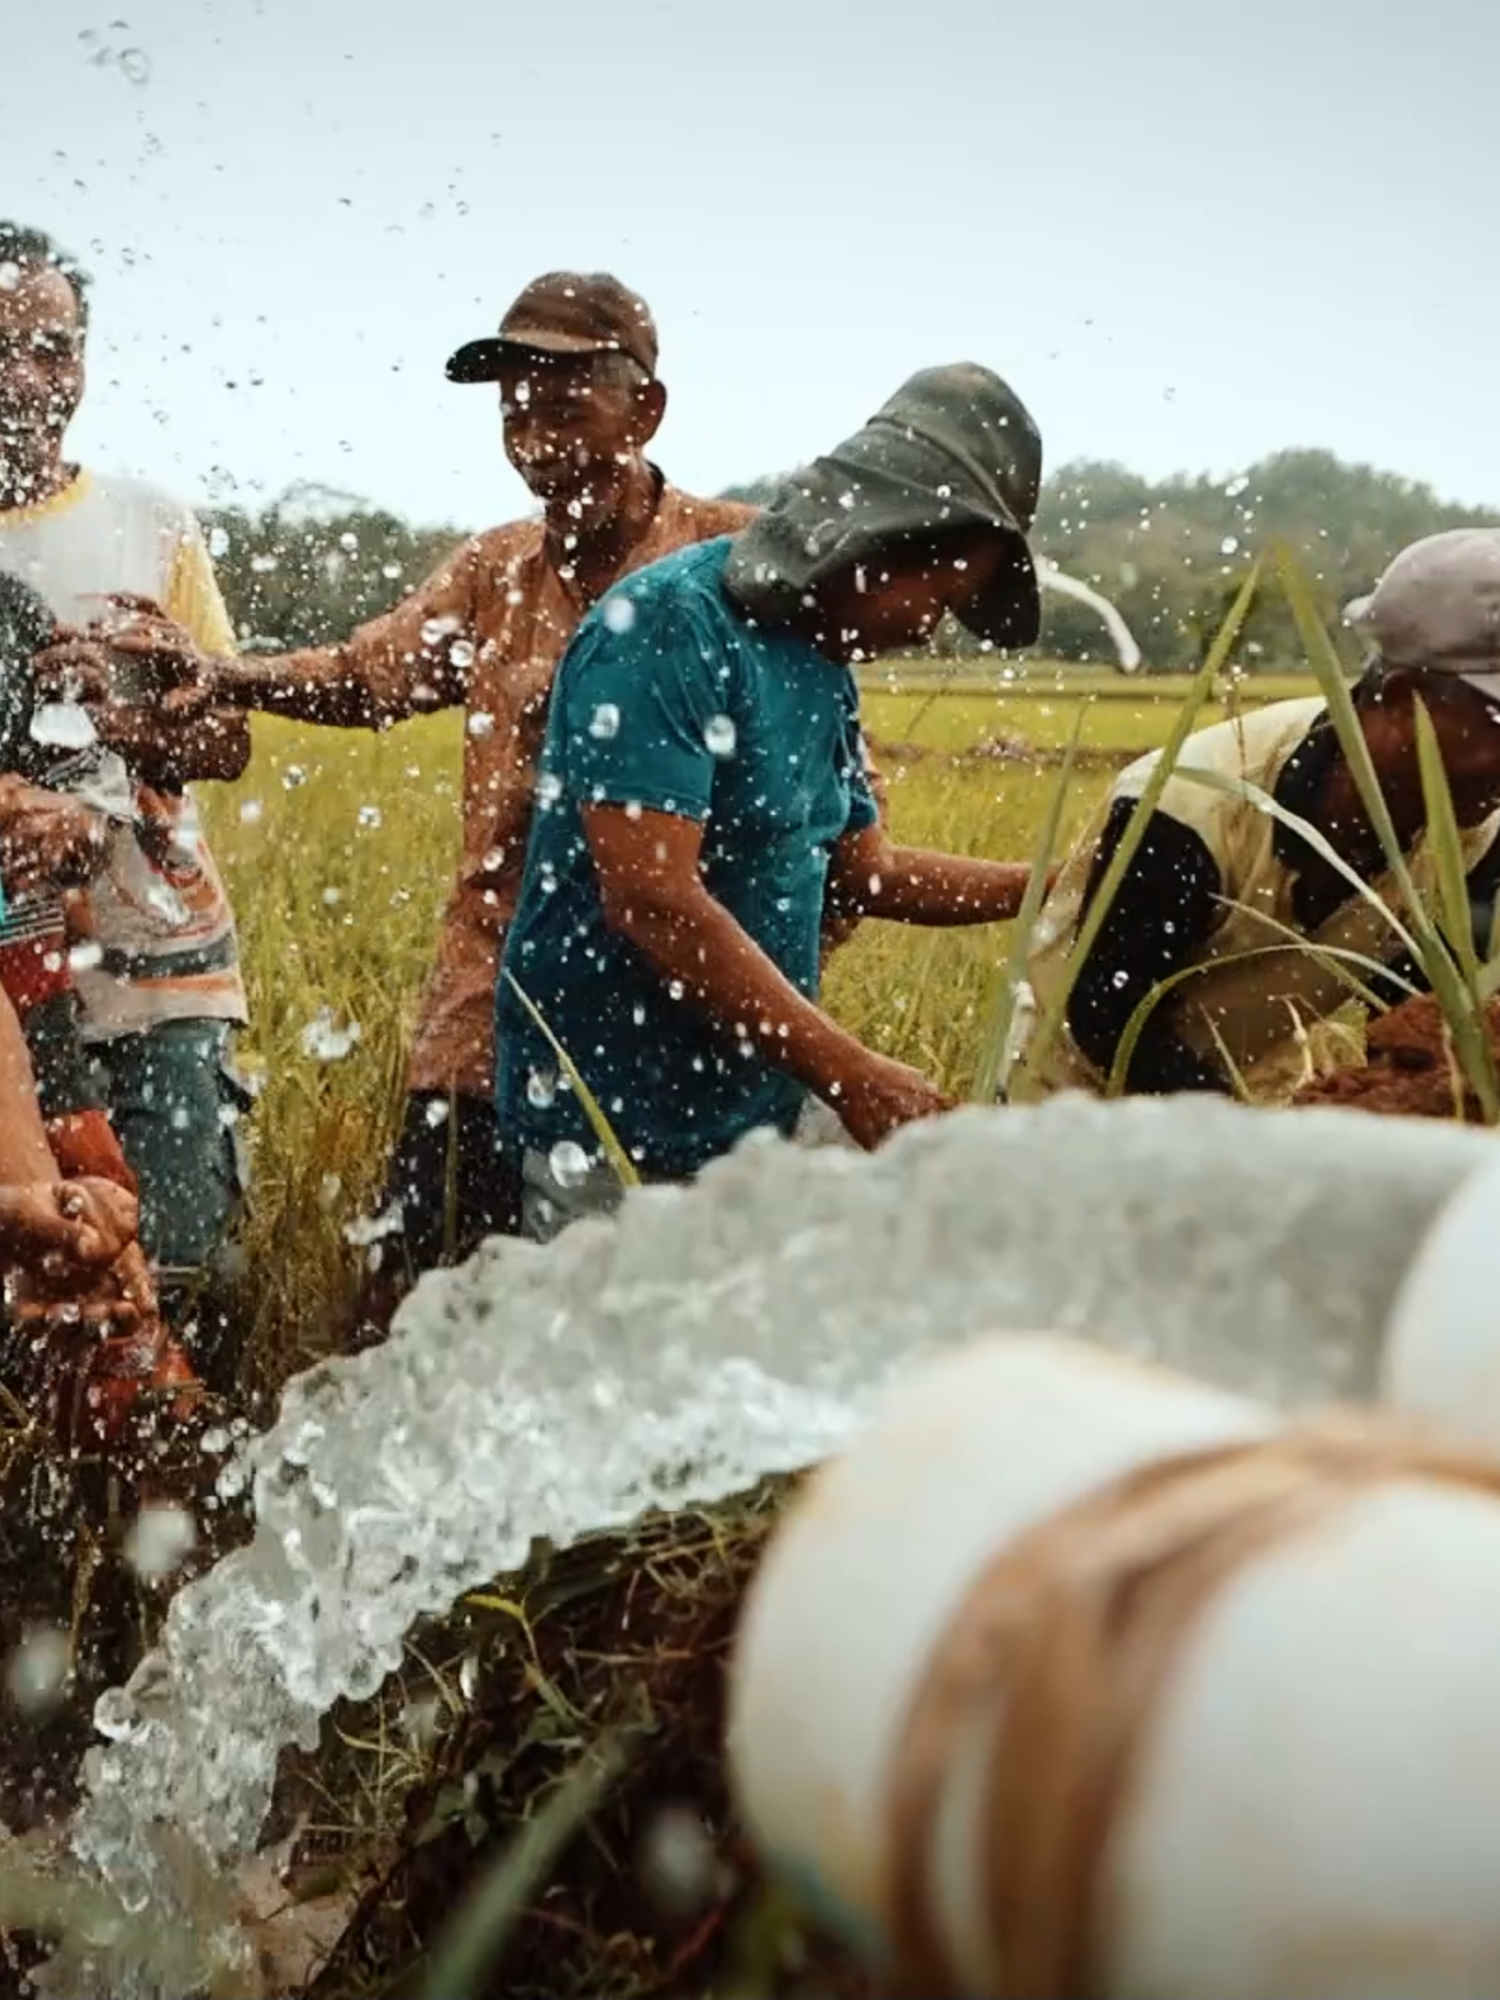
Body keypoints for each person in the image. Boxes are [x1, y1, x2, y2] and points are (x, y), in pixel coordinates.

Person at [132, 270, 761, 1304]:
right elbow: (363, 674)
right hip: (489, 1007)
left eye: (566, 397)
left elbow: (824, 807)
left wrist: (759, 1002)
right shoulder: (496, 569)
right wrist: (224, 674)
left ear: (645, 406)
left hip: (670, 1009)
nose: (534, 428)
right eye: (515, 402)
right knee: (412, 1309)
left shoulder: (732, 564)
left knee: (635, 1323)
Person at [495, 362, 1044, 1238]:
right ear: (876, 539)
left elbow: (865, 875)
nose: (930, 628)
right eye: (939, 597)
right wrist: (854, 1073)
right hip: (613, 1124)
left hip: (751, 1107)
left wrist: (1053, 883)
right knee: (621, 1365)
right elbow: (653, 900)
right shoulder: (668, 628)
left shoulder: (821, 661)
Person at [0, 221, 252, 1343]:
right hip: (10, 989)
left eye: (53, 349)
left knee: (184, 1270)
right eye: (3, 347)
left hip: (157, 959)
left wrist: (127, 711)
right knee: (42, 1287)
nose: (27, 378)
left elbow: (228, 739)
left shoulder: (152, 523)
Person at [1009, 527, 1500, 1104]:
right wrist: (1246, 1139)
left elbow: (1417, 1009)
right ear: (1400, 701)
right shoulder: (1190, 807)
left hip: (1256, 1096)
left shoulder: (1470, 832)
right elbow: (1109, 1021)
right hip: (1079, 1113)